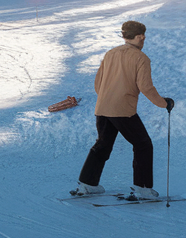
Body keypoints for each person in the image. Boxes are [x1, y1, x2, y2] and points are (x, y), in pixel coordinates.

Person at [73, 20, 175, 200]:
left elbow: (98, 84)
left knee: (102, 144)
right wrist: (164, 103)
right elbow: (146, 87)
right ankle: (143, 188)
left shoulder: (110, 54)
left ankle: (87, 184)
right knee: (143, 144)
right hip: (122, 110)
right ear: (140, 37)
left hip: (103, 107)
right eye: (143, 36)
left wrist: (108, 96)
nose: (144, 40)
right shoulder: (140, 58)